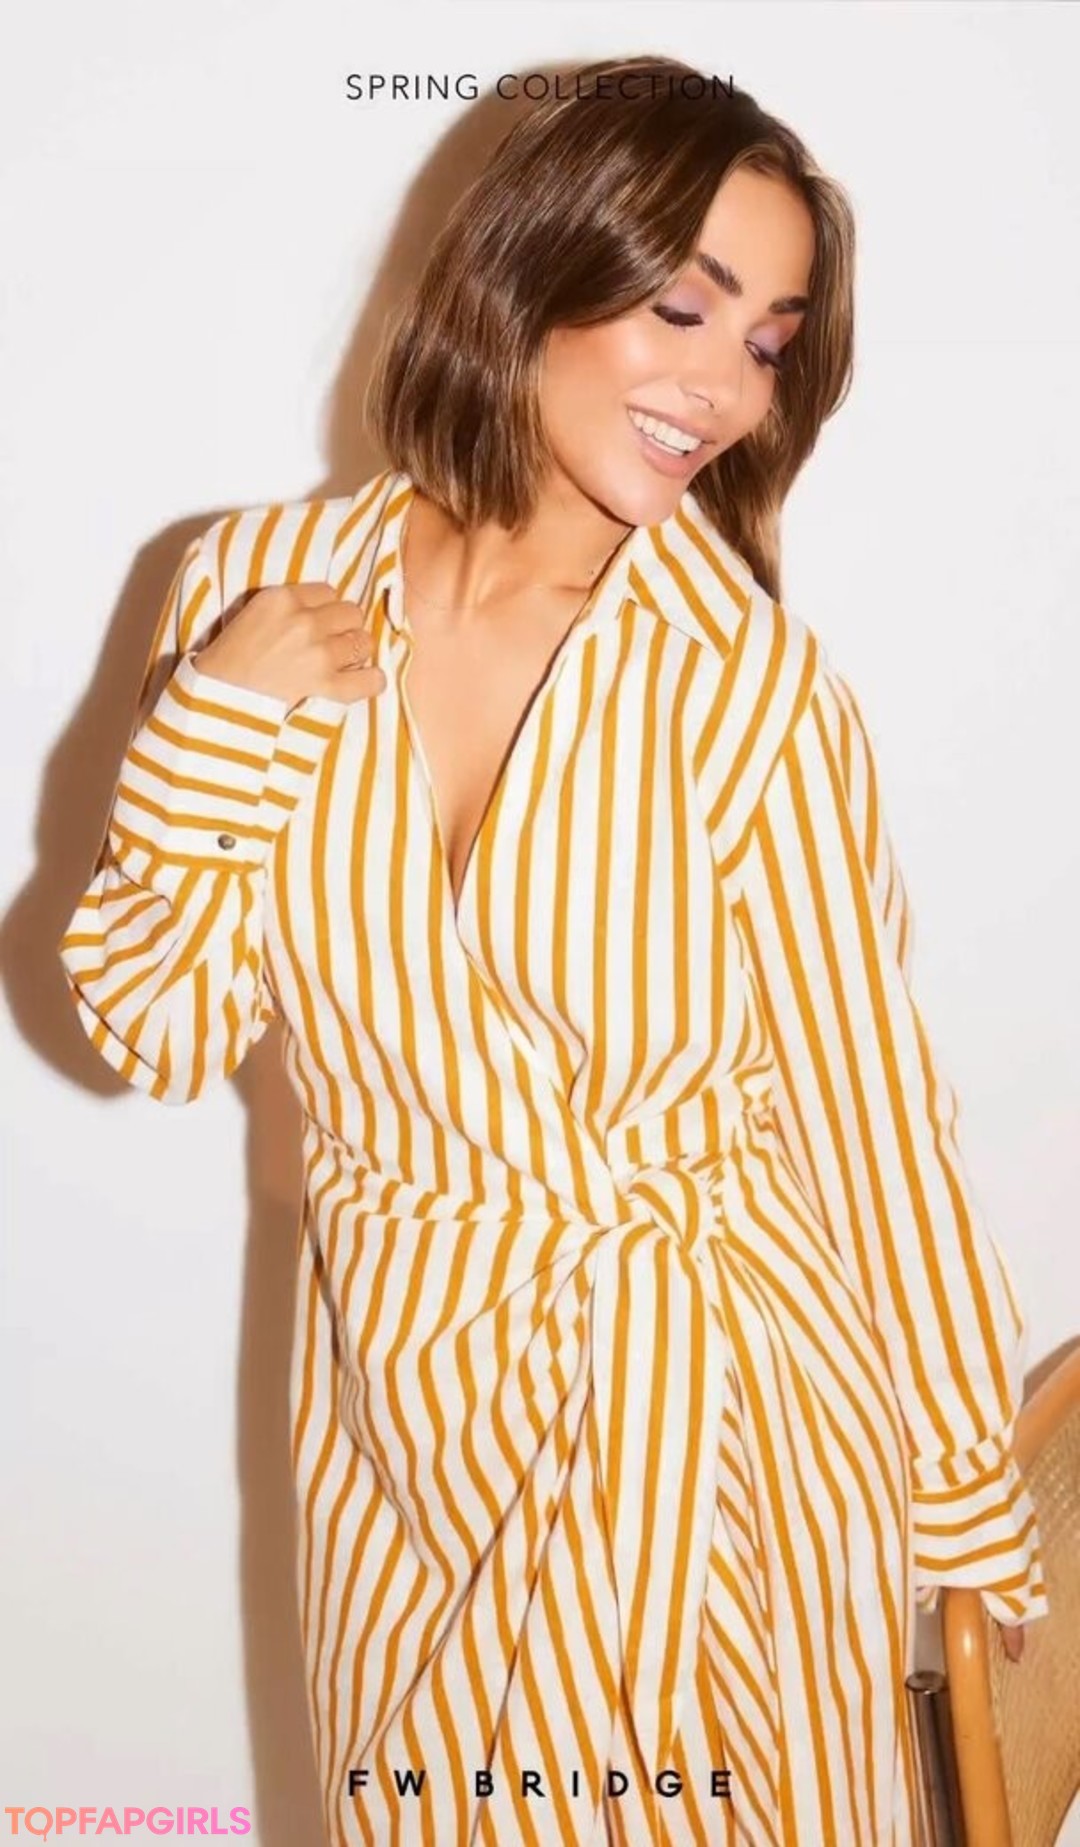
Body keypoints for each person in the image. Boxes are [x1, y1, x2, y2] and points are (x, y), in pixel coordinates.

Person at [58, 53, 1048, 1847]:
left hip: (705, 1413)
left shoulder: (742, 691)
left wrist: (977, 1501)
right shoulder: (252, 593)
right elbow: (156, 1026)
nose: (723, 386)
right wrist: (216, 723)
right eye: (684, 306)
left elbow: (873, 1119)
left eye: (769, 341)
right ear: (532, 269)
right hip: (398, 1428)